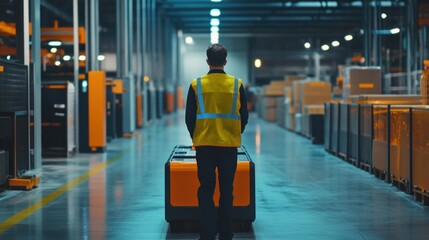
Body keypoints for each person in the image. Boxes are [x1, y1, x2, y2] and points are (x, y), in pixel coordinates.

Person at [185, 44, 248, 240]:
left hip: (204, 145)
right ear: (226, 62)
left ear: (207, 61)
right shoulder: (236, 84)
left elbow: (189, 118)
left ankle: (208, 233)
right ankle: (226, 233)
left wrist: (197, 135)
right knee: (226, 189)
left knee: (206, 189)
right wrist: (234, 133)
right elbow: (244, 116)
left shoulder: (196, 84)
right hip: (229, 145)